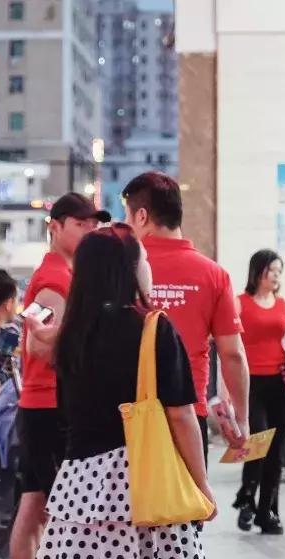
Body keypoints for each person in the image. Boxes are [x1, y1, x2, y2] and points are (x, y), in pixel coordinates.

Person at [28, 223, 215, 559]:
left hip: (81, 489)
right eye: (143, 259)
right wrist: (201, 486)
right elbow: (181, 416)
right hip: (144, 479)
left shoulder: (73, 336)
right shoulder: (154, 328)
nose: (148, 267)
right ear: (128, 270)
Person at [11, 192, 110, 559]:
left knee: (36, 505)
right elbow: (39, 346)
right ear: (55, 226)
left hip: (43, 404)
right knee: (55, 511)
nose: (89, 231)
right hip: (50, 405)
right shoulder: (55, 278)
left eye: (93, 225)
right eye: (80, 224)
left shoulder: (64, 274)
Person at [122, 171, 251, 462]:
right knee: (188, 505)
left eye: (128, 218)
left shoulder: (119, 270)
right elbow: (232, 354)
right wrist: (241, 419)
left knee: (132, 507)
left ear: (141, 216)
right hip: (190, 420)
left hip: (128, 416)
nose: (127, 227)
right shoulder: (213, 275)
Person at [231, 250, 285, 535]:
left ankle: (268, 511)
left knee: (275, 448)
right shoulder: (239, 303)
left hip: (280, 381)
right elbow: (228, 343)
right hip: (251, 382)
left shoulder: (283, 304)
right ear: (258, 272)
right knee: (257, 442)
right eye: (272, 270)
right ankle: (247, 494)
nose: (276, 276)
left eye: (279, 271)